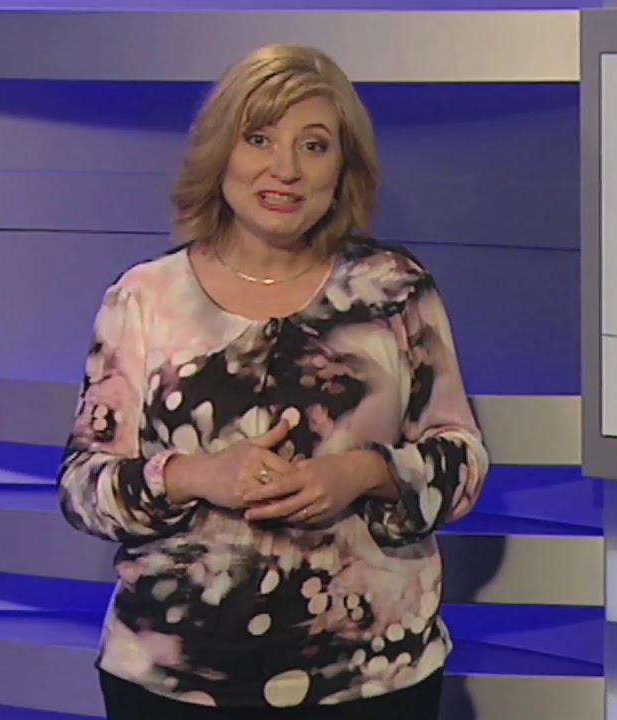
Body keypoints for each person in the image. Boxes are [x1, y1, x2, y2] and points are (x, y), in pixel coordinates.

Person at [55, 43, 489, 720]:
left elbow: (461, 460)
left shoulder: (394, 290)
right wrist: (196, 476)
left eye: (313, 146)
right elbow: (84, 488)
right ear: (221, 152)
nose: (284, 169)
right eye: (259, 138)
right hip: (173, 683)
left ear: (341, 167)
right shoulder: (144, 297)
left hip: (370, 680)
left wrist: (364, 474)